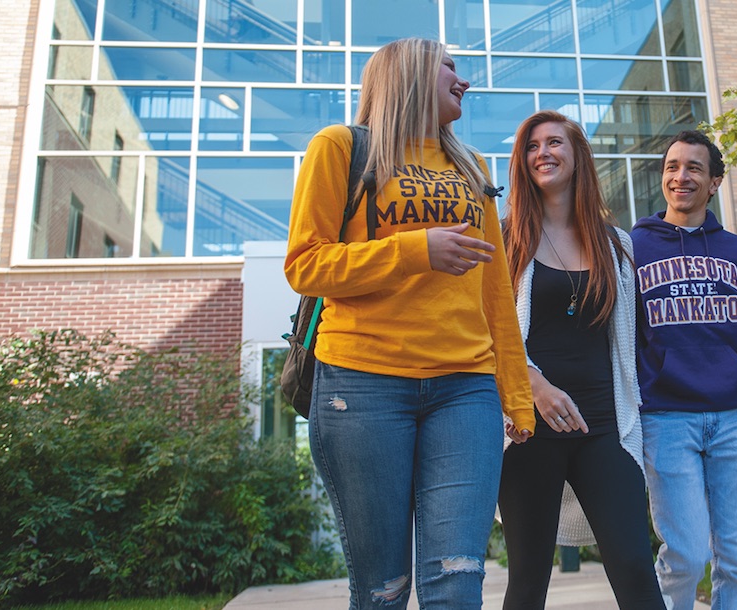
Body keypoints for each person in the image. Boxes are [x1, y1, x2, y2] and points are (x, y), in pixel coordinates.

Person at [283, 38, 535, 609]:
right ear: (410, 74)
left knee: (457, 581)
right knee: (383, 589)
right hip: (361, 384)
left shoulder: (472, 165)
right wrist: (412, 250)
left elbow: (495, 290)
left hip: (465, 390)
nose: (463, 80)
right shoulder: (342, 148)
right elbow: (305, 264)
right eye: (450, 66)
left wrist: (516, 395)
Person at [496, 110, 664, 609]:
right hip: (527, 429)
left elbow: (632, 341)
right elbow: (486, 330)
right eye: (531, 146)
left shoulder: (617, 244)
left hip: (604, 427)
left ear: (578, 155)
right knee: (528, 580)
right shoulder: (505, 239)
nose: (542, 153)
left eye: (554, 142)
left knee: (635, 567)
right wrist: (533, 384)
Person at [632, 130, 737, 610]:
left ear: (715, 181)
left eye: (694, 168)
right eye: (672, 167)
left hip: (736, 418)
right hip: (665, 417)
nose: (681, 177)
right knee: (684, 553)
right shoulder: (632, 247)